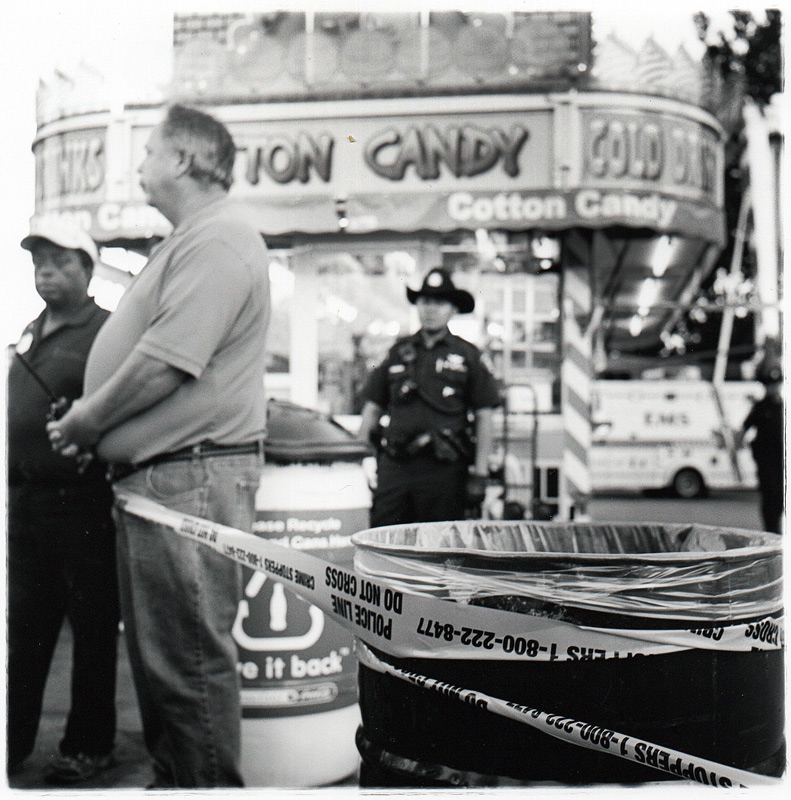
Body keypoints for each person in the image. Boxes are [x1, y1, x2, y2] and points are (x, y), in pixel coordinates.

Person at [47, 104, 270, 788]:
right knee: (166, 669)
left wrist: (87, 422)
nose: (139, 164)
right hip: (169, 481)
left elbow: (164, 363)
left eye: (148, 152)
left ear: (182, 159)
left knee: (187, 669)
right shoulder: (194, 240)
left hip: (187, 482)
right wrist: (101, 431)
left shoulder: (218, 238)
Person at [7, 221, 120, 784]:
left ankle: (90, 746)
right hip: (24, 503)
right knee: (24, 628)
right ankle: (12, 742)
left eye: (60, 261)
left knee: (92, 629)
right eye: (39, 262)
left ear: (88, 269)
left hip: (83, 503)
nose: (45, 271)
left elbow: (121, 407)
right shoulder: (31, 331)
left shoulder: (108, 330)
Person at [357, 267, 500, 526]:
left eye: (439, 302)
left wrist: (480, 474)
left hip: (444, 470)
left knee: (438, 542)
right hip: (395, 466)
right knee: (384, 536)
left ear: (452, 309)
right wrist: (358, 457)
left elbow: (484, 416)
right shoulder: (397, 353)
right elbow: (373, 408)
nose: (430, 309)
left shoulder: (468, 356)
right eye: (425, 301)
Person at [735, 361, 784, 534]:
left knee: (780, 500)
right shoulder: (761, 407)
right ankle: (772, 535)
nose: (773, 388)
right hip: (767, 464)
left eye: (776, 384)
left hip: (783, 462)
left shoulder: (783, 407)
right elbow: (743, 429)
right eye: (769, 385)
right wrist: (738, 449)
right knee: (770, 502)